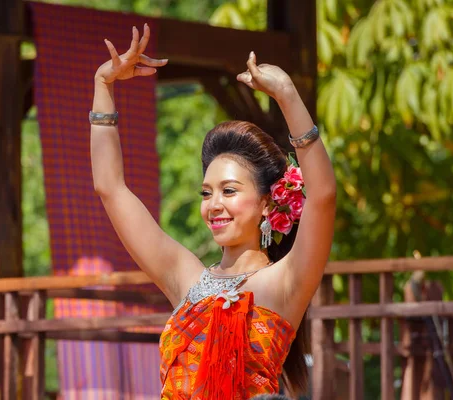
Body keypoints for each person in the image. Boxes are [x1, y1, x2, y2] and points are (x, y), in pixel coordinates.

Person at [90, 24, 336, 399]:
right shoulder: (184, 278)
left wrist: (287, 96)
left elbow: (322, 195)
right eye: (207, 193)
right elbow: (111, 189)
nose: (214, 204)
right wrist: (103, 88)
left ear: (268, 202)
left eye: (229, 191)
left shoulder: (286, 282)